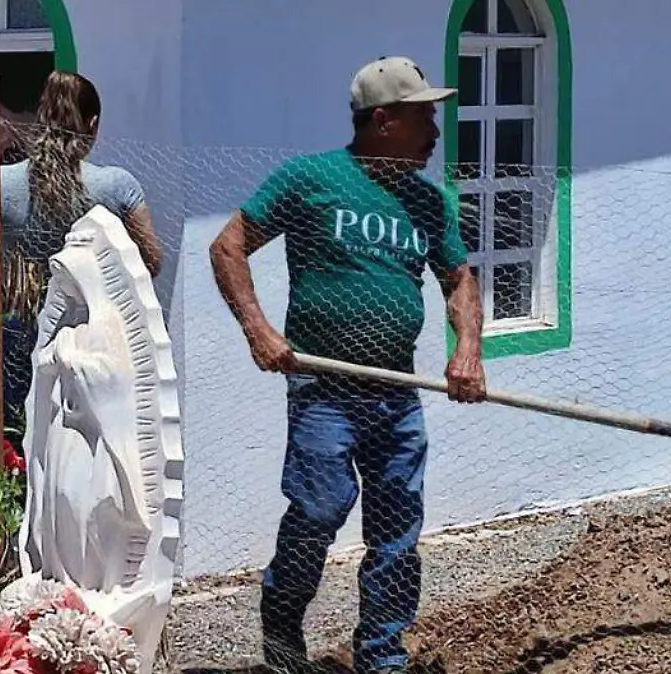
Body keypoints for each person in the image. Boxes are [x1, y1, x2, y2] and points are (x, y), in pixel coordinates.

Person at [209, 56, 487, 674]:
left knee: (396, 530)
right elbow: (227, 246)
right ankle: (283, 637)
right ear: (383, 120)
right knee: (319, 508)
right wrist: (259, 331)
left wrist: (467, 349)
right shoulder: (310, 178)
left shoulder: (428, 202)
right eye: (425, 118)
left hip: (396, 391)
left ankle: (382, 658)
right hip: (323, 388)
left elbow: (459, 280)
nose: (436, 132)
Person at [0, 70, 163, 432]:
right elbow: (152, 259)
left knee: (22, 437)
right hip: (97, 338)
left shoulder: (0, 183)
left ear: (42, 120)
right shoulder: (116, 186)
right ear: (93, 124)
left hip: (22, 336)